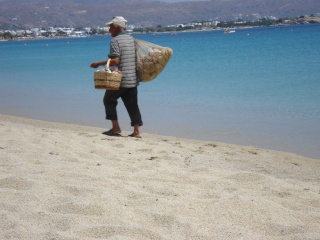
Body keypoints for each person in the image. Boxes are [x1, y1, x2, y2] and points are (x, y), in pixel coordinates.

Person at [90, 16, 142, 138]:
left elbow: (115, 61)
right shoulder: (131, 39)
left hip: (119, 80)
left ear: (117, 27)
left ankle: (115, 128)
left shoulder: (115, 41)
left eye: (111, 27)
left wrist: (98, 63)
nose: (109, 30)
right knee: (132, 105)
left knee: (108, 100)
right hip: (133, 79)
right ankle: (137, 131)